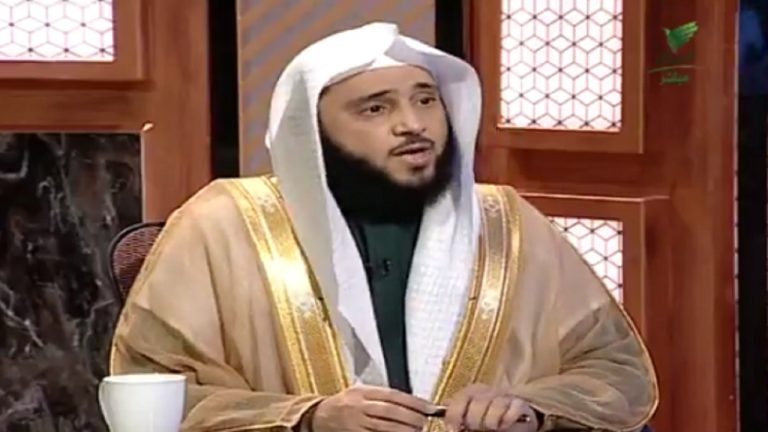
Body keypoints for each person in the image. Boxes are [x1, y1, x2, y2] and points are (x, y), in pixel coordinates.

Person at [109, 22, 658, 432]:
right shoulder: (223, 223)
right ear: (313, 133)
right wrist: (308, 417)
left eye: (426, 101)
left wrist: (530, 406)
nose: (413, 124)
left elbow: (615, 371)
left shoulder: (507, 224)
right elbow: (149, 390)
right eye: (375, 109)